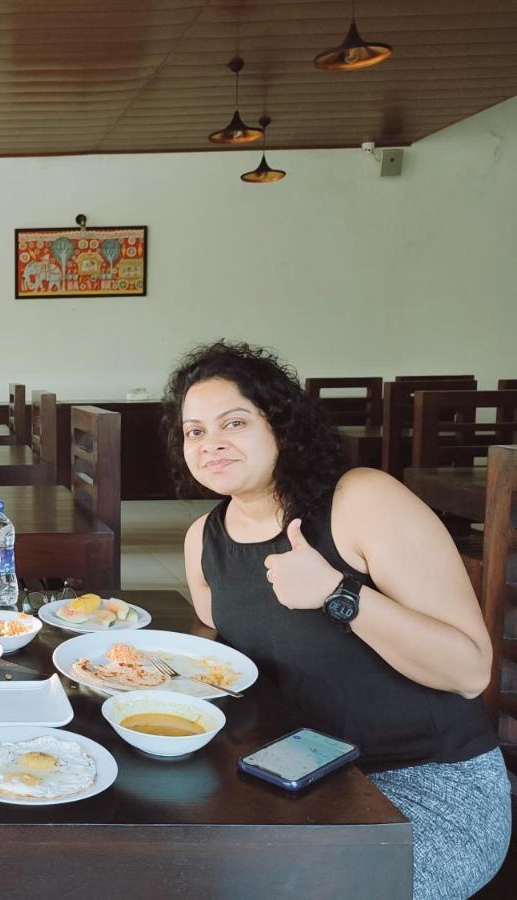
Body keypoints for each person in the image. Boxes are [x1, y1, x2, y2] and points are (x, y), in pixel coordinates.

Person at [163, 340, 510, 900]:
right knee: (162, 867)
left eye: (234, 422)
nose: (210, 444)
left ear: (281, 427)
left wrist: (338, 593)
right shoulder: (203, 540)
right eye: (195, 431)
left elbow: (469, 670)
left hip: (426, 787)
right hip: (298, 779)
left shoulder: (361, 501)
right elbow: (226, 641)